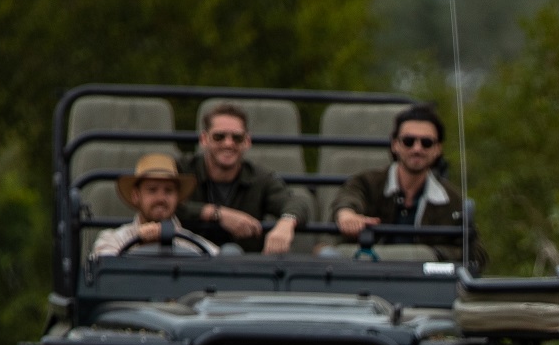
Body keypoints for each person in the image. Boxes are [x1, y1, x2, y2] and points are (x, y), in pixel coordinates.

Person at [328, 103, 485, 268]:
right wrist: (346, 215)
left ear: (438, 149)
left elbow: (476, 254)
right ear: (395, 145)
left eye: (426, 143)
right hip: (367, 275)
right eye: (409, 141)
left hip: (423, 285)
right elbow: (348, 198)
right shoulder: (366, 182)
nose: (417, 149)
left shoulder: (452, 199)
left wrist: (434, 254)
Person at [177, 103, 309, 253]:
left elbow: (297, 203)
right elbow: (159, 203)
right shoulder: (183, 169)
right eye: (219, 137)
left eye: (237, 138)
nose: (228, 143)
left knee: (231, 251)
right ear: (204, 139)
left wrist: (286, 223)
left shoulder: (259, 177)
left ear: (247, 142)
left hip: (242, 268)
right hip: (186, 263)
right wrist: (216, 213)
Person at [92, 152, 220, 258]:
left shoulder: (197, 246)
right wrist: (142, 244)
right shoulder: (112, 240)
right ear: (136, 196)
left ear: (178, 198)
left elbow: (221, 266)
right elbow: (106, 278)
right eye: (152, 190)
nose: (161, 198)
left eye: (168, 191)